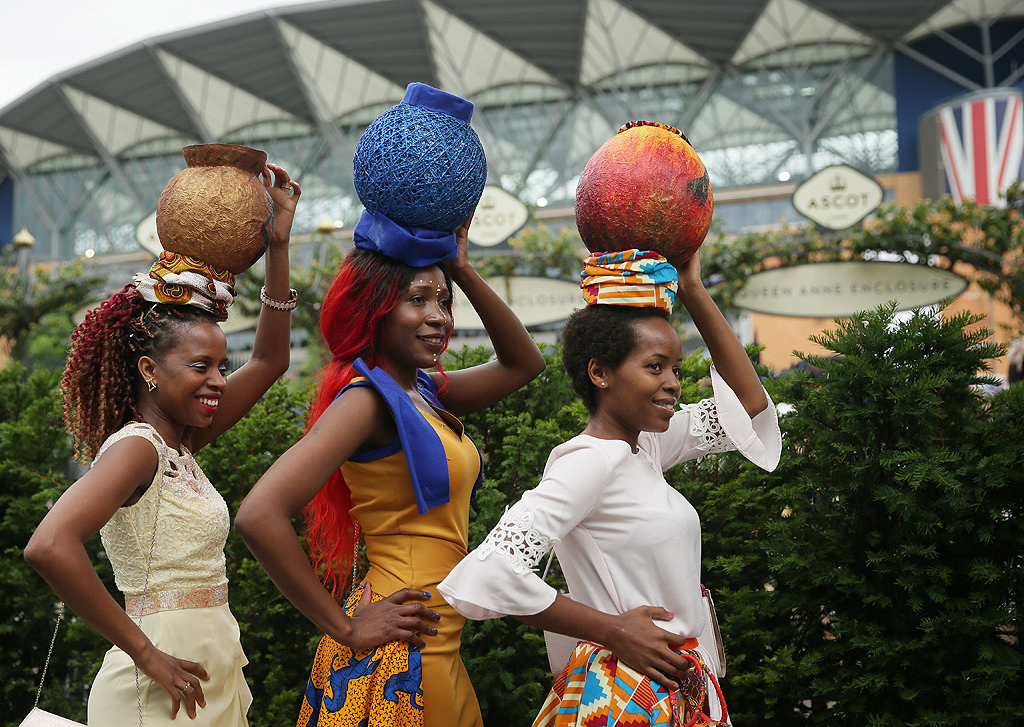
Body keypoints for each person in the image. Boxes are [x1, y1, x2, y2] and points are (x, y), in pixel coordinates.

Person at [439, 248, 782, 726]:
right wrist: (614, 630)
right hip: (625, 695)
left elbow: (747, 406)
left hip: (674, 689)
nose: (674, 385)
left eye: (677, 370)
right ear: (599, 373)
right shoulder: (588, 461)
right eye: (655, 366)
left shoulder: (648, 447)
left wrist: (692, 288)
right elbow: (491, 572)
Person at [24, 163, 313, 725]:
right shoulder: (137, 449)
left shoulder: (180, 444)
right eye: (200, 366)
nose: (219, 380)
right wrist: (145, 653)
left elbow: (272, 361)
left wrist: (278, 245)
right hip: (159, 681)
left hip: (210, 667)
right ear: (150, 369)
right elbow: (49, 545)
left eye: (221, 366)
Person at [235, 208, 545, 726]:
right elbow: (258, 514)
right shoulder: (367, 400)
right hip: (407, 646)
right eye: (417, 300)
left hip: (436, 634)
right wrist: (347, 627)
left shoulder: (421, 391)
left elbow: (523, 364)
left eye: (444, 302)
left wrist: (462, 269)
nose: (438, 316)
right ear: (374, 309)